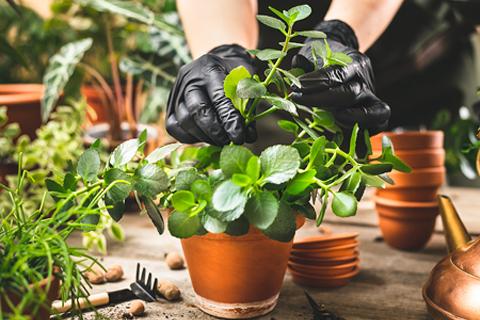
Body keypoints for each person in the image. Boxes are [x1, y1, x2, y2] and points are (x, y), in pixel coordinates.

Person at [166, 0, 479, 151]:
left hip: (422, 60)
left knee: (432, 179)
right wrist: (223, 52)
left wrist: (339, 31)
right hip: (286, 70)